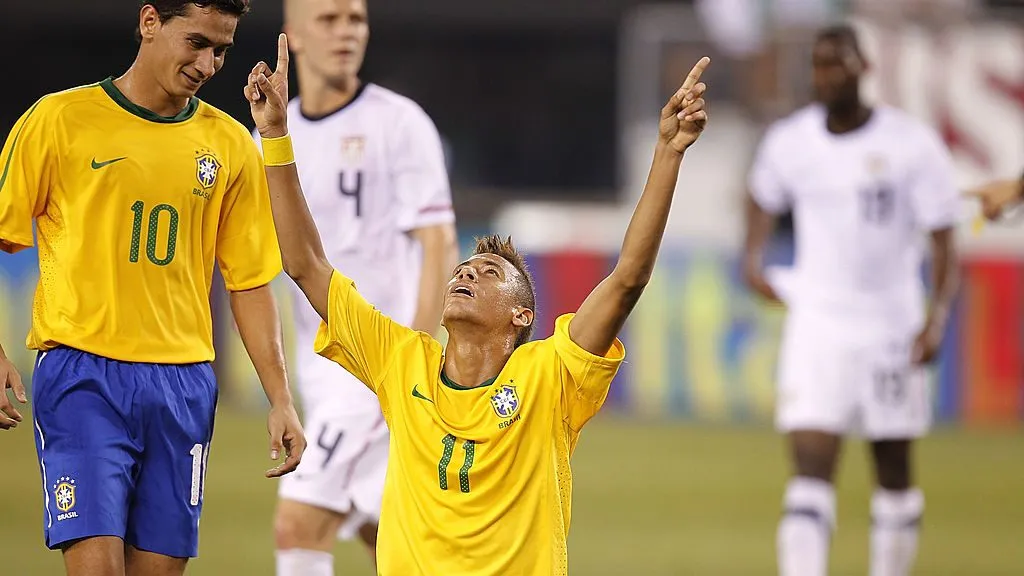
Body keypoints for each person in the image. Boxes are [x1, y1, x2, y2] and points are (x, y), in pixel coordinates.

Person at [245, 33, 709, 575]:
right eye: (466, 268)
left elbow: (627, 278)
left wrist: (668, 152)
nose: (468, 272)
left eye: (490, 273)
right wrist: (276, 136)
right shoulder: (401, 360)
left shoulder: (551, 377)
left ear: (522, 316)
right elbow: (305, 265)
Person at [0, 2, 307, 575]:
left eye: (221, 50)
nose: (208, 63)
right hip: (83, 376)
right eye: (195, 42)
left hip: (183, 387)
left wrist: (280, 397)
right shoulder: (59, 120)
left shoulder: (230, 144)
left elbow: (249, 281)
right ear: (148, 23)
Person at [743, 25, 959, 576]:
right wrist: (753, 258)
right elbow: (760, 192)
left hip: (892, 324)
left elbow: (943, 239)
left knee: (893, 468)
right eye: (818, 65)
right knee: (810, 468)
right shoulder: (791, 142)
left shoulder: (911, 145)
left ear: (863, 68)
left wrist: (936, 319)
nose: (826, 75)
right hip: (818, 323)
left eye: (836, 64)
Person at [262, 1, 458, 574]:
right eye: (329, 20)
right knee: (389, 538)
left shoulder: (399, 122)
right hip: (322, 372)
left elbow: (438, 245)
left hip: (376, 370)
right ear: (293, 36)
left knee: (298, 523)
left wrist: (412, 365)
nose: (346, 32)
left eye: (356, 19)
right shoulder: (273, 135)